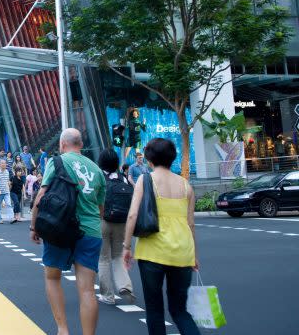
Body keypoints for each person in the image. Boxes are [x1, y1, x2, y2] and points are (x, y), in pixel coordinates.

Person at [30, 128, 106, 335]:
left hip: (59, 228)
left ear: (62, 145)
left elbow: (41, 195)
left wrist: (34, 226)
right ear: (81, 145)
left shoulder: (57, 162)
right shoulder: (97, 170)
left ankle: (63, 329)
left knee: (52, 277)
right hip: (90, 231)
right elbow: (101, 209)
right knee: (88, 290)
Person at [123, 138, 200, 335]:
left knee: (155, 309)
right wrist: (194, 255)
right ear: (172, 158)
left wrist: (126, 247)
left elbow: (132, 214)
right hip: (183, 252)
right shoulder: (186, 186)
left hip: (152, 252)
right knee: (180, 310)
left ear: (149, 159)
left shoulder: (145, 179)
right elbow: (191, 223)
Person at [97, 149, 134, 306]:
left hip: (103, 220)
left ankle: (108, 295)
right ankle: (125, 286)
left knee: (104, 258)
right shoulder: (123, 178)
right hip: (122, 221)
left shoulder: (99, 177)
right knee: (118, 256)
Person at [0, 159, 12, 224]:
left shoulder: (7, 171)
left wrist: (9, 184)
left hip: (6, 191)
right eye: (3, 163)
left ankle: (11, 218)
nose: (4, 164)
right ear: (0, 164)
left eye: (5, 163)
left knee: (9, 204)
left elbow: (7, 180)